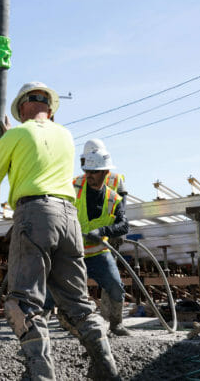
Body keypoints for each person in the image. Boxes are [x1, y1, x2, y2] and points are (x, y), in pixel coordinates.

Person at [0, 82, 119, 380]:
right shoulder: (65, 135)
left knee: (22, 303)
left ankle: (41, 375)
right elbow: (38, 162)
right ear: (50, 109)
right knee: (77, 304)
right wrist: (14, 148)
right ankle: (106, 368)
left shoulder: (17, 134)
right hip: (69, 220)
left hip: (35, 216)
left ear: (24, 107)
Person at [75, 139, 130, 336]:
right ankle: (72, 324)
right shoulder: (74, 185)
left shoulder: (114, 191)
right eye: (86, 169)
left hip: (99, 249)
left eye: (93, 170)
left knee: (114, 286)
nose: (88, 174)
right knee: (64, 289)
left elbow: (123, 221)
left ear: (105, 171)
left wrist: (103, 232)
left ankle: (115, 324)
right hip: (73, 252)